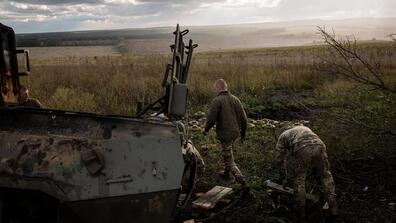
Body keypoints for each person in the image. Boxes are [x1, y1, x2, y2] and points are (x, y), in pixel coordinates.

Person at [275, 125, 338, 219]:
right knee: (326, 177)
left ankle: (301, 213)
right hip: (320, 145)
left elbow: (280, 160)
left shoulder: (282, 136)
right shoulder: (302, 127)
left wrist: (283, 178)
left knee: (300, 180)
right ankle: (334, 210)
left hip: (302, 147)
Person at [202, 79, 248, 186]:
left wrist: (205, 130)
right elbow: (244, 118)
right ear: (225, 87)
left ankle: (242, 181)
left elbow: (211, 119)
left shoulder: (217, 101)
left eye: (215, 88)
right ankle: (227, 173)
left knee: (229, 159)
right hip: (235, 133)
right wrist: (243, 133)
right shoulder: (236, 99)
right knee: (228, 152)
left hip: (225, 134)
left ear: (218, 88)